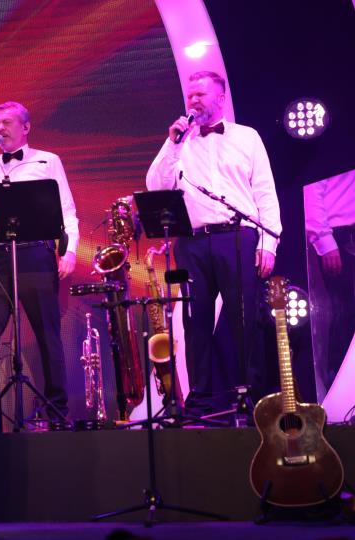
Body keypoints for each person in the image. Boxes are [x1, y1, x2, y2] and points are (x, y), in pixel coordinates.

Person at [146, 71, 282, 417]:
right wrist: (173, 145)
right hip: (192, 241)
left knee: (244, 319)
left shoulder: (247, 137)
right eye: (190, 95)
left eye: (201, 94)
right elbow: (155, 186)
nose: (193, 100)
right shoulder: (179, 142)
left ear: (221, 98)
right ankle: (202, 399)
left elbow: (265, 191)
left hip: (237, 237)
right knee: (196, 322)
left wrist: (268, 243)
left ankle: (250, 397)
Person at [0, 101, 79, 423]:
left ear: (26, 127)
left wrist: (70, 251)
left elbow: (67, 209)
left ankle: (56, 410)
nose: (0, 128)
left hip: (36, 254)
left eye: (7, 122)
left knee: (47, 335)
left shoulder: (48, 160)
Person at [304, 171, 355, 386]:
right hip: (341, 234)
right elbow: (312, 190)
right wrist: (324, 240)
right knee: (345, 313)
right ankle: (342, 385)